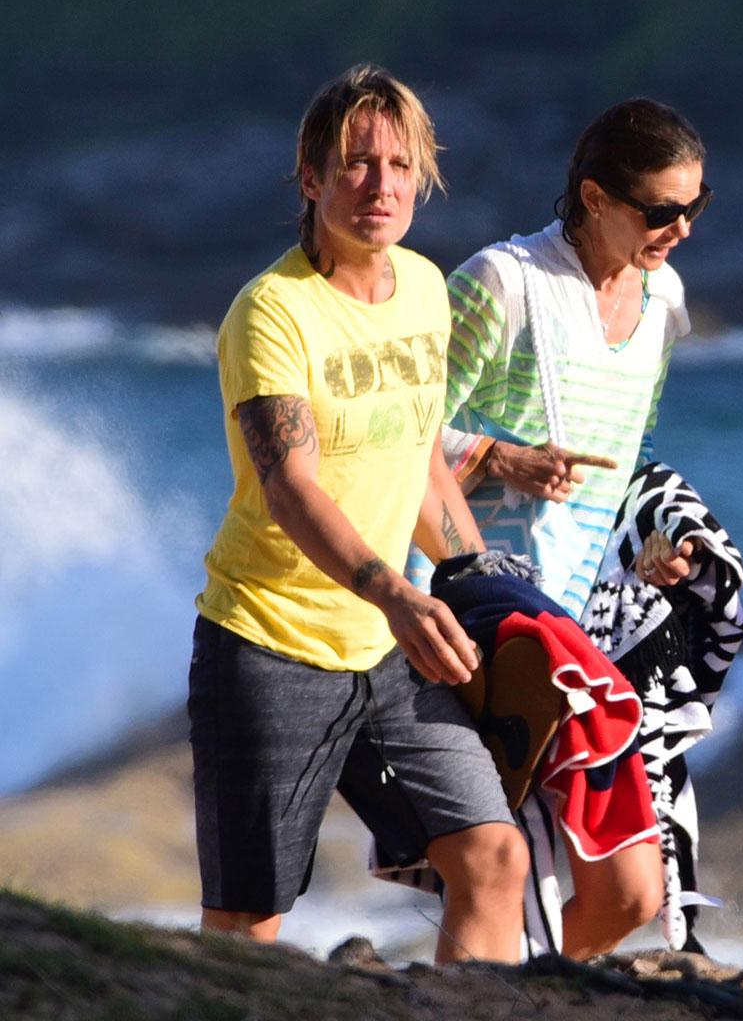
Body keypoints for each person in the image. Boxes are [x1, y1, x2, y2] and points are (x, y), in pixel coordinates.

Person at [189, 64, 527, 964]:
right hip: (270, 645)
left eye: (398, 164)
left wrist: (474, 579)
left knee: (493, 860)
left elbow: (416, 453)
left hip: (388, 650)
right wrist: (395, 594)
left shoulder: (422, 290)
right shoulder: (272, 312)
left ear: (422, 176)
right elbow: (290, 485)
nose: (379, 185)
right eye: (354, 164)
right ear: (310, 177)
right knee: (247, 933)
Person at [410, 97, 712, 958]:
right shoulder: (504, 284)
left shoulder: (665, 301)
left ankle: (513, 990)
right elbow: (399, 429)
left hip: (584, 625)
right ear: (592, 197)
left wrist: (645, 552)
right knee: (505, 880)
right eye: (660, 211)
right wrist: (502, 458)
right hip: (481, 621)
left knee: (629, 896)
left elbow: (628, 455)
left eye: (696, 207)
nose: (681, 228)